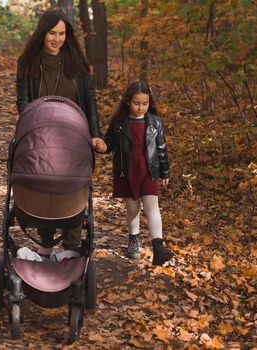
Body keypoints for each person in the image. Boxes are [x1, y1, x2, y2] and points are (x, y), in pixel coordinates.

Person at [15, 8, 106, 257]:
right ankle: (46, 242)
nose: (57, 39)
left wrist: (95, 134)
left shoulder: (78, 65)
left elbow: (90, 103)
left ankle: (72, 247)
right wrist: (33, 125)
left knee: (73, 187)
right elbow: (23, 103)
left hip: (73, 138)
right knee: (44, 185)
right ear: (42, 33)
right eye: (52, 33)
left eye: (62, 33)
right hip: (41, 137)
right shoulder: (28, 64)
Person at [102, 81, 174, 266]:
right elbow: (109, 143)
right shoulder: (119, 123)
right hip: (127, 170)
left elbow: (161, 149)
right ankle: (134, 239)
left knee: (152, 207)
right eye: (136, 103)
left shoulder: (155, 123)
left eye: (145, 103)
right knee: (133, 209)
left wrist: (165, 171)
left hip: (149, 169)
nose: (141, 107)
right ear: (128, 102)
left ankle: (158, 246)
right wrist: (102, 146)